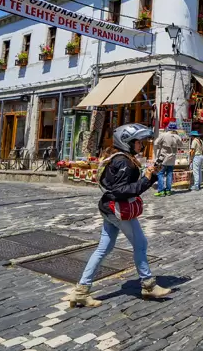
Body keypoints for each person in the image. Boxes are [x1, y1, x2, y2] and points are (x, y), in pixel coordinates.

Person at [69, 124, 172, 307]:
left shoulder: (119, 158)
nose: (141, 145)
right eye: (138, 142)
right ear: (127, 142)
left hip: (108, 208)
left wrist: (150, 176)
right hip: (118, 210)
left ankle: (81, 291)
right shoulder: (124, 162)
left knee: (104, 248)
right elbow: (122, 191)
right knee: (141, 244)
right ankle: (148, 285)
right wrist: (147, 179)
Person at [152, 130, 183, 196]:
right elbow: (181, 145)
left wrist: (158, 149)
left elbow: (155, 143)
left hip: (163, 158)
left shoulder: (163, 135)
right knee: (169, 174)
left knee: (160, 174)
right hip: (172, 159)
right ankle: (168, 190)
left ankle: (161, 191)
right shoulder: (177, 137)